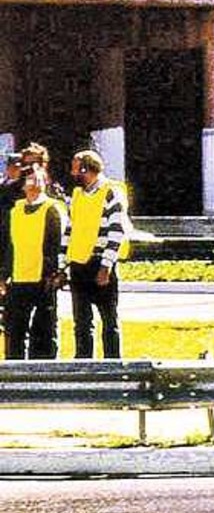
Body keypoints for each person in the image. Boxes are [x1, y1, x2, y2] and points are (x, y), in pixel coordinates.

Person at [61, 150, 128, 359]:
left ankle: (113, 367)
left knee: (109, 321)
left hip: (100, 264)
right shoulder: (78, 195)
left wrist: (106, 266)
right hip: (79, 265)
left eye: (75, 168)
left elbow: (117, 232)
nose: (72, 173)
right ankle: (83, 364)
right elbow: (70, 230)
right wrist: (62, 265)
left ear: (85, 169)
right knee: (81, 322)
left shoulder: (111, 192)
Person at [2, 166, 64, 359]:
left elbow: (55, 246)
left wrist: (53, 275)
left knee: (44, 329)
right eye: (30, 178)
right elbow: (9, 244)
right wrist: (3, 275)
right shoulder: (15, 210)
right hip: (19, 278)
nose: (35, 181)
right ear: (23, 185)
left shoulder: (52, 208)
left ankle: (45, 373)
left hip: (43, 279)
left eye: (39, 178)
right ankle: (14, 372)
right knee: (15, 330)